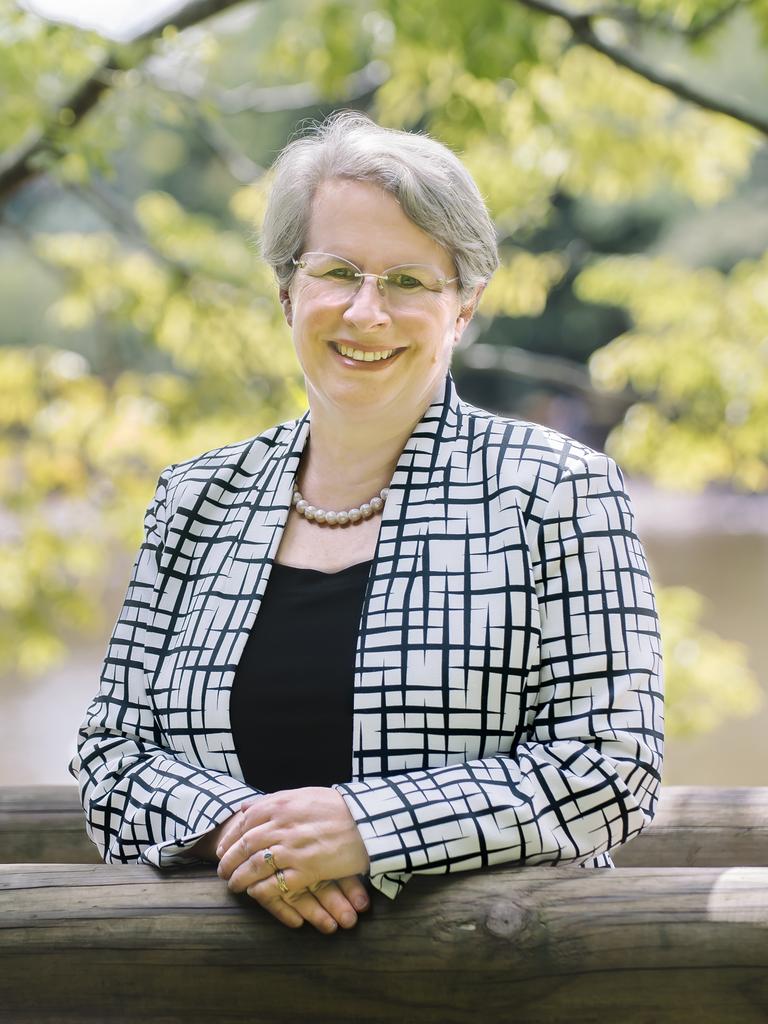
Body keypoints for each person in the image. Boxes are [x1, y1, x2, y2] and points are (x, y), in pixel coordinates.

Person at [68, 110, 664, 936]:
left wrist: (364, 830)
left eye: (410, 281)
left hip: (488, 987)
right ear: (287, 291)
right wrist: (255, 840)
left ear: (463, 308)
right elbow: (111, 758)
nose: (366, 312)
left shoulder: (561, 491)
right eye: (338, 270)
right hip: (217, 994)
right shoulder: (196, 497)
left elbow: (612, 773)